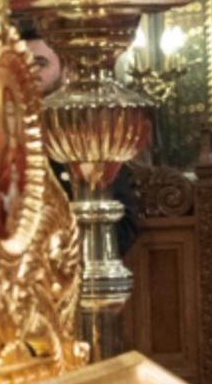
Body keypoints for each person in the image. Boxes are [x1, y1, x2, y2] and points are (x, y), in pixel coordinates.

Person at [19, 23, 139, 253]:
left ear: (66, 74)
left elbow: (124, 227)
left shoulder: (91, 140)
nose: (29, 73)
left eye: (40, 64)